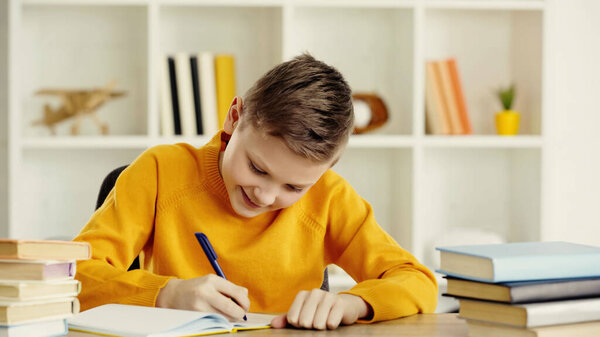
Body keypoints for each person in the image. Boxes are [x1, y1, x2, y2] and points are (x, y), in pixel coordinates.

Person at [73, 54, 437, 330]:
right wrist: (166, 294)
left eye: (294, 187)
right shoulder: (159, 172)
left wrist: (353, 305)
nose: (264, 196)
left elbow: (417, 281)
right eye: (257, 168)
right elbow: (74, 277)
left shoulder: (329, 197)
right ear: (234, 117)